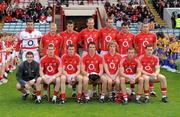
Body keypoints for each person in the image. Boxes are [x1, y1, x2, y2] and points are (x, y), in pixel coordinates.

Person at [134, 22, 157, 96]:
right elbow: (135, 46)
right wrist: (139, 53)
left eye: (146, 26)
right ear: (141, 27)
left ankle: (152, 90)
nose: (145, 28)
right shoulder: (137, 36)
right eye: (144, 26)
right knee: (140, 74)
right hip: (140, 57)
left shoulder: (153, 35)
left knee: (150, 71)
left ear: (149, 27)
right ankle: (140, 90)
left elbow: (154, 46)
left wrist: (152, 54)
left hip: (149, 57)